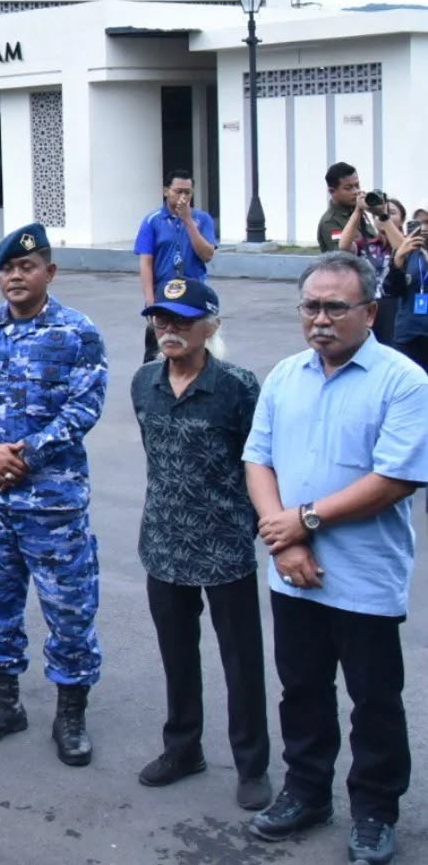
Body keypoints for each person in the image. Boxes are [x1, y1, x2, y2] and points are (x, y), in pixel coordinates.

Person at [242, 252, 428, 865]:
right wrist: (288, 537)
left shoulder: (404, 381)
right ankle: (306, 792)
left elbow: (395, 479)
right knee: (301, 689)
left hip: (365, 576)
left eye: (334, 307)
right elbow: (258, 458)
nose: (319, 319)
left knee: (374, 699)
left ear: (370, 312)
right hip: (292, 572)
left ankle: (375, 811)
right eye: (310, 307)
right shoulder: (284, 376)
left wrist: (305, 519)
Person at [0, 222, 107, 766]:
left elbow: (84, 407)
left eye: (27, 267)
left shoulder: (77, 333)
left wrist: (24, 454)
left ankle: (70, 713)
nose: (15, 276)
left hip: (54, 505)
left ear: (49, 272)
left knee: (69, 609)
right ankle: (4, 702)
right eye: (7, 268)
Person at [130, 278, 272, 811]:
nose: (169, 329)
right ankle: (183, 748)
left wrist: (260, 522)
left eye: (182, 320)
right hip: (162, 544)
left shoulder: (237, 387)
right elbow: (156, 455)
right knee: (177, 656)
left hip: (225, 545)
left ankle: (252, 764)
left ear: (210, 326)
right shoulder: (144, 382)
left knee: (241, 661)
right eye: (160, 320)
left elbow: (258, 461)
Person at [134, 170, 216, 364]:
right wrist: (150, 300)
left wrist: (188, 221)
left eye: (188, 192)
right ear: (166, 191)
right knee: (158, 352)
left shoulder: (202, 219)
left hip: (193, 296)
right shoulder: (152, 221)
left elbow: (207, 254)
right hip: (163, 295)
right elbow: (146, 263)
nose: (183, 197)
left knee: (195, 349)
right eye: (178, 191)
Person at [339, 192, 402, 344]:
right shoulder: (366, 243)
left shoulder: (407, 242)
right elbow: (344, 246)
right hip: (367, 304)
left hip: (395, 307)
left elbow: (402, 252)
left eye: (392, 212)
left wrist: (384, 216)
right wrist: (358, 210)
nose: (381, 216)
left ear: (402, 219)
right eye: (376, 214)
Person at [380, 200, 428, 371]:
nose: (423, 228)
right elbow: (391, 290)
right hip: (408, 333)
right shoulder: (407, 251)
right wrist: (397, 263)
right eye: (419, 223)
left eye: (427, 222)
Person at [316, 161, 363, 253]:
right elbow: (342, 256)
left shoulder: (359, 211)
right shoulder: (330, 222)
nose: (356, 191)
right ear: (332, 191)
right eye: (348, 188)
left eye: (357, 185)